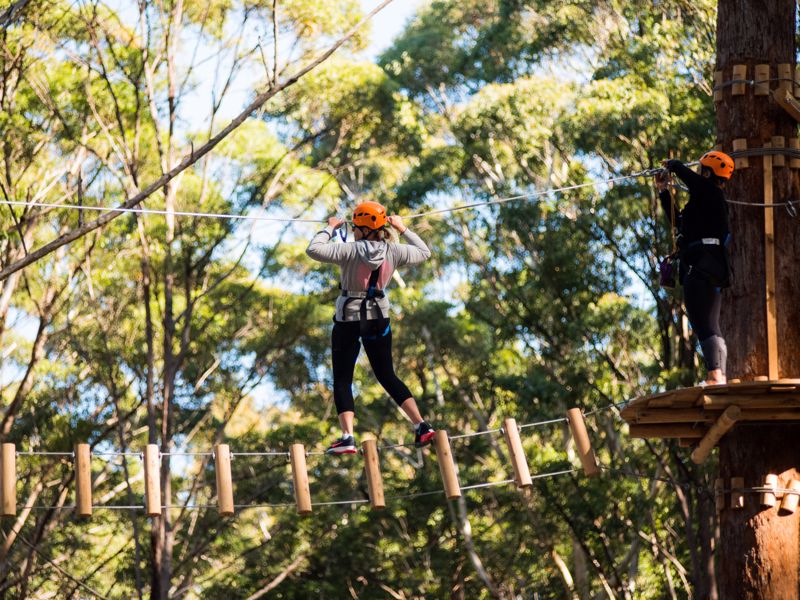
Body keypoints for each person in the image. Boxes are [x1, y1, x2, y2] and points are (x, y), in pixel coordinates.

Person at [306, 200, 437, 454]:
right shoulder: (394, 251)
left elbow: (314, 250)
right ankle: (421, 425)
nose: (353, 230)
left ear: (363, 229)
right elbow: (424, 252)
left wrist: (330, 229)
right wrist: (402, 228)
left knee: (343, 379)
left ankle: (347, 437)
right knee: (387, 375)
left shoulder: (349, 251)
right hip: (378, 318)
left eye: (355, 227)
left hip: (348, 320)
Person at [655, 151, 734, 385]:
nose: (699, 173)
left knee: (706, 325)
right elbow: (678, 221)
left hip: (702, 266)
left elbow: (695, 182)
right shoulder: (702, 204)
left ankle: (716, 376)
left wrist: (674, 165)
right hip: (701, 265)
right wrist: (663, 191)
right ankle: (717, 375)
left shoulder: (711, 193)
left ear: (707, 172)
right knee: (706, 325)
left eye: (702, 169)